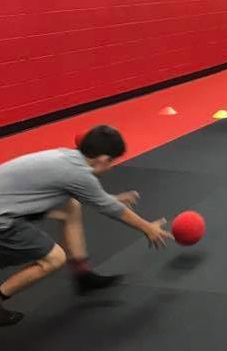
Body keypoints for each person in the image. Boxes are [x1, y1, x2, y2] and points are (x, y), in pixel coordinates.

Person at [0, 126, 171, 327]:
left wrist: (110, 199)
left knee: (71, 205)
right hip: (4, 218)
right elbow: (110, 209)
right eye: (112, 162)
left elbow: (93, 197)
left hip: (9, 203)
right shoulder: (79, 175)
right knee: (54, 259)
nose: (111, 167)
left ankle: (83, 275)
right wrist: (148, 228)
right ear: (103, 159)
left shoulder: (67, 157)